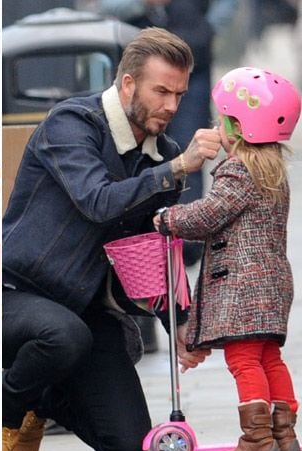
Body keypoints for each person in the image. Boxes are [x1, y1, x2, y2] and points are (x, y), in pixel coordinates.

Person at [1, 27, 221, 451]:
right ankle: (4, 413)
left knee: (130, 447)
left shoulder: (162, 154)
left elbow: (151, 247)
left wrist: (178, 321)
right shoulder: (71, 123)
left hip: (84, 309)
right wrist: (176, 169)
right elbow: (97, 202)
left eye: (179, 94)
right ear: (127, 84)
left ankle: (40, 400)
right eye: (162, 91)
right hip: (17, 292)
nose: (173, 106)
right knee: (62, 335)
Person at [153, 67, 302, 451]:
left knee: (244, 360)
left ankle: (256, 439)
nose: (218, 126)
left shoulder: (238, 171)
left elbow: (209, 215)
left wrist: (169, 218)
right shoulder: (272, 171)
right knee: (269, 357)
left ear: (238, 128)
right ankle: (283, 435)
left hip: (243, 288)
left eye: (223, 120)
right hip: (271, 285)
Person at [98, 0, 239, 266]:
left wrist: (208, 28)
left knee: (191, 145)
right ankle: (144, 238)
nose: (171, 103)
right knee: (139, 146)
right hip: (142, 62)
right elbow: (105, 5)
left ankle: (186, 240)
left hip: (192, 59)